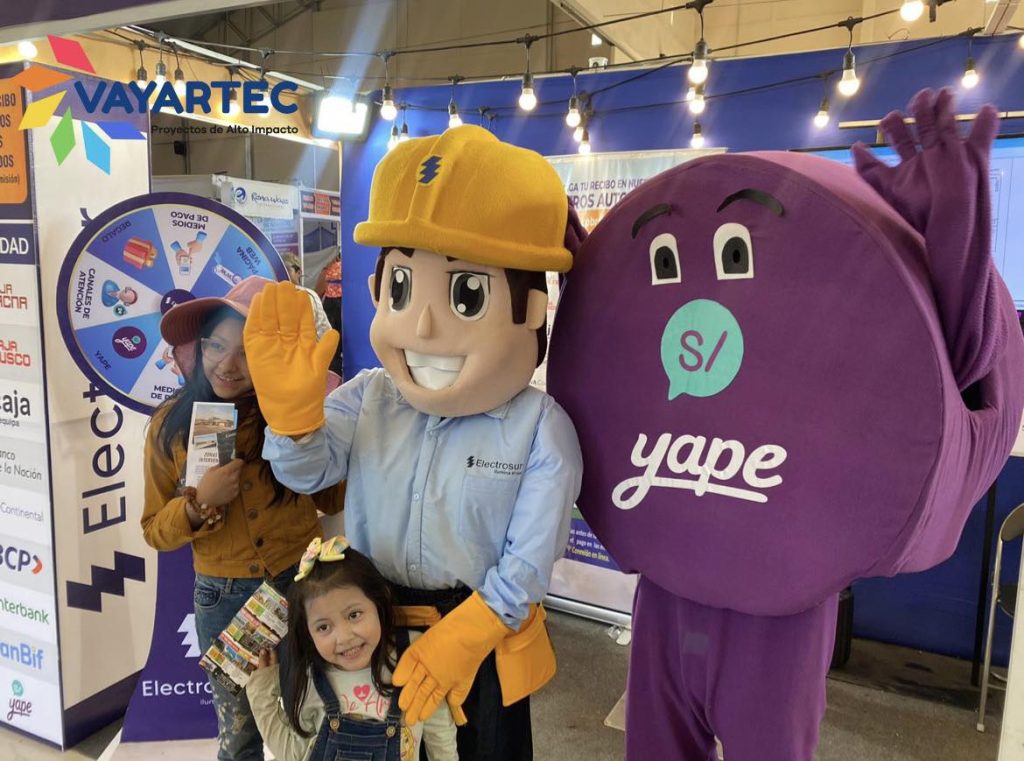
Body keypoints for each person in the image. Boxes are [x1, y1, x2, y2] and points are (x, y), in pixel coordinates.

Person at [243, 125, 585, 760]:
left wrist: (469, 634)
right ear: (378, 292)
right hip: (371, 631)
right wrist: (291, 421)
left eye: (466, 294)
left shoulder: (540, 427)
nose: (423, 327)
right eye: (401, 288)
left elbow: (528, 562)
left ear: (533, 308)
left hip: (480, 638)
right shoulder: (370, 395)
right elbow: (307, 473)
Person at [141, 275, 345, 761]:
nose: (227, 365)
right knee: (239, 736)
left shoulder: (297, 415)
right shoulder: (170, 425)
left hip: (303, 584)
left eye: (248, 351)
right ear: (198, 347)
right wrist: (196, 505)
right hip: (226, 599)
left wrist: (300, 433)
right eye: (215, 345)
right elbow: (154, 529)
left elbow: (334, 498)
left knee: (320, 717)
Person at [247, 535, 458, 761]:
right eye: (324, 627)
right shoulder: (310, 678)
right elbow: (294, 754)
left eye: (354, 615)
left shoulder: (414, 654)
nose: (344, 637)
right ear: (308, 633)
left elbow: (440, 733)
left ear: (378, 602)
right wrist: (261, 690)